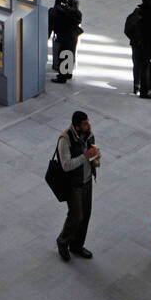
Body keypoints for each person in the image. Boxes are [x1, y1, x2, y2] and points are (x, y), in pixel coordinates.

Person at [55, 111, 101, 262]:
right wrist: (86, 156)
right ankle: (63, 241)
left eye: (88, 121)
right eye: (85, 123)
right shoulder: (65, 139)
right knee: (76, 216)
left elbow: (91, 154)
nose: (89, 125)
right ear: (77, 126)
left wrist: (95, 157)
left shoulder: (88, 134)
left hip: (86, 181)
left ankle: (77, 245)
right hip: (73, 184)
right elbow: (66, 165)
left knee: (86, 214)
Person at [124, 0, 151, 98]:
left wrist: (135, 39)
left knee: (136, 64)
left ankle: (136, 85)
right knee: (145, 66)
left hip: (136, 45)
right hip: (149, 46)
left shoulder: (135, 15)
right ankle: (144, 91)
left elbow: (127, 30)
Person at [50, 0, 81, 84]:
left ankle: (63, 76)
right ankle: (67, 73)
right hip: (66, 23)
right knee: (68, 51)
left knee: (65, 51)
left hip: (66, 23)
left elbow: (73, 4)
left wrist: (61, 9)